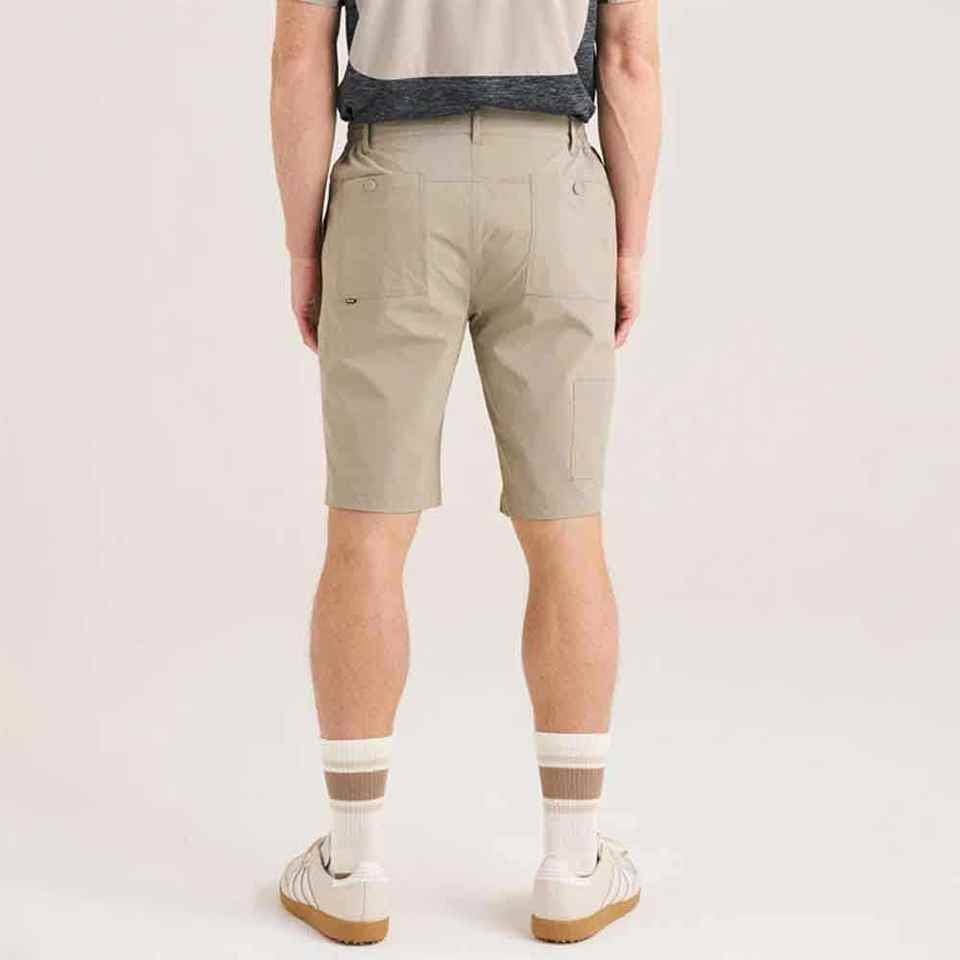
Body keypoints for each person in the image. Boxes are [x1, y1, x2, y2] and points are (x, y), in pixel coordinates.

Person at [270, 0, 661, 944]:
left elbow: (298, 58)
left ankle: (352, 868)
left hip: (392, 189)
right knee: (567, 534)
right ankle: (573, 866)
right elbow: (628, 59)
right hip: (552, 190)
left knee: (367, 535)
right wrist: (629, 246)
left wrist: (302, 245)